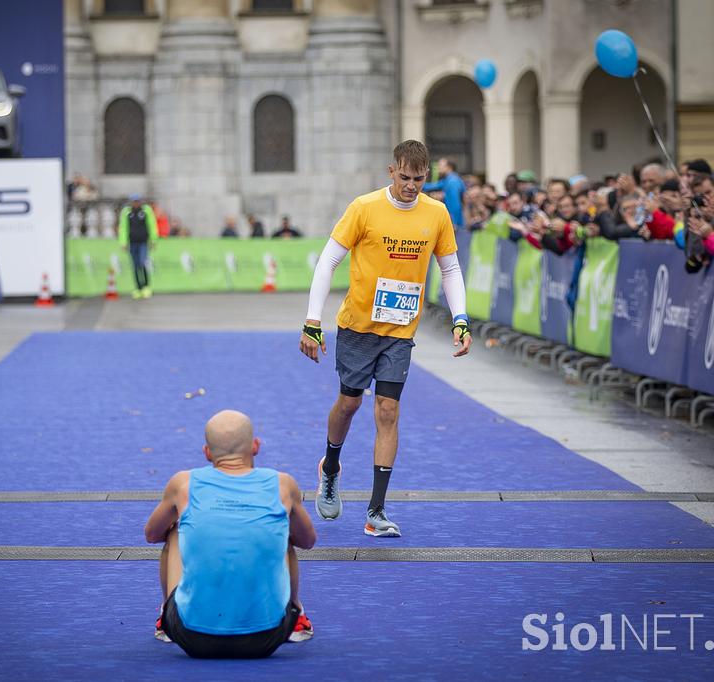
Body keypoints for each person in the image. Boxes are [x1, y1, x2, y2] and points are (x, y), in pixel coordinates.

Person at [299, 139, 472, 538]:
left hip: (400, 332)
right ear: (391, 171)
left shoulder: (437, 213)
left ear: (428, 175)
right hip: (358, 327)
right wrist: (312, 321)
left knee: (388, 412)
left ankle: (376, 511)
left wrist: (460, 320)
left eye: (420, 179)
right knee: (348, 404)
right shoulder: (364, 208)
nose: (412, 186)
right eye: (406, 177)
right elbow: (328, 261)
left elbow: (450, 270)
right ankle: (330, 467)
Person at [145, 410, 317, 658]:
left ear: (207, 452)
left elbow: (152, 534)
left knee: (174, 531)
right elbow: (308, 541)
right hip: (267, 637)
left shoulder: (183, 483)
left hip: (192, 637)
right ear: (255, 446)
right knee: (285, 529)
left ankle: (166, 620)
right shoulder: (282, 484)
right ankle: (297, 618)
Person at [117, 194, 158, 299]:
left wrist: (153, 240)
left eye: (137, 201)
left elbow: (152, 225)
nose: (135, 203)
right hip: (132, 242)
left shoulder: (145, 211)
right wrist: (123, 242)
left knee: (142, 262)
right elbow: (123, 228)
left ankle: (146, 286)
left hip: (143, 242)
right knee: (135, 265)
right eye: (134, 201)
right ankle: (138, 288)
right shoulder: (127, 212)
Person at [423, 158, 466, 228]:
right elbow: (429, 186)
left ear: (449, 167)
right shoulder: (448, 180)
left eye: (440, 165)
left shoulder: (452, 182)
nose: (438, 167)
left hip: (455, 224)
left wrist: (454, 223)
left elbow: (455, 205)